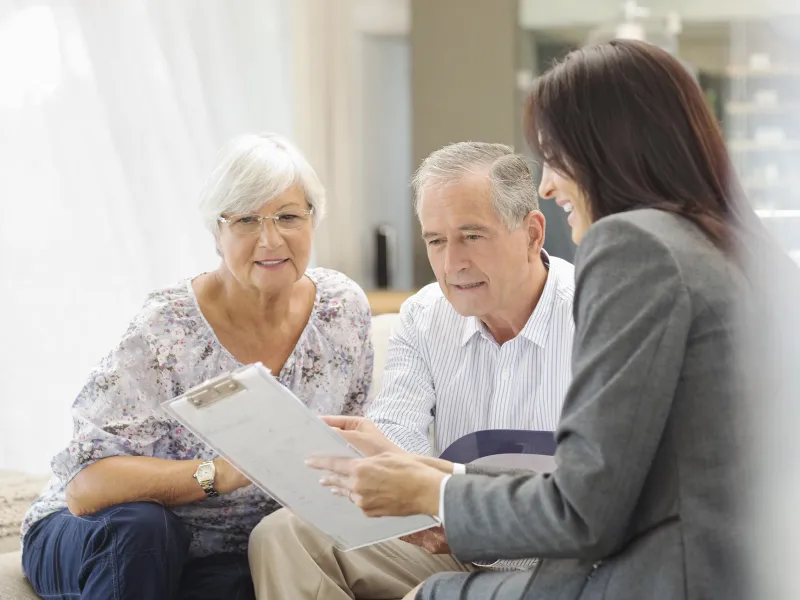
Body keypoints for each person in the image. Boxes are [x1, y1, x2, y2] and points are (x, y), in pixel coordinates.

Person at [306, 39, 771, 600]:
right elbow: (613, 483)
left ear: (608, 150)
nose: (548, 184)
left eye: (555, 156)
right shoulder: (730, 248)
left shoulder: (633, 248)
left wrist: (435, 495)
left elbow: (583, 511)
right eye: (436, 240)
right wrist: (439, 482)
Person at [19, 132, 374, 600]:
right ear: (217, 233)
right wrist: (219, 473)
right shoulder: (166, 328)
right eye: (246, 219)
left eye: (288, 217)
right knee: (145, 532)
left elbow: (350, 447)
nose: (270, 239)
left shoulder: (341, 311)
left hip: (225, 549)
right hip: (100, 530)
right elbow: (86, 487)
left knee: (252, 575)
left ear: (313, 221)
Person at [248, 142, 575, 599]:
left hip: (562, 555)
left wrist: (442, 490)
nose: (451, 264)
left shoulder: (596, 315)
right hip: (454, 541)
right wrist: (374, 457)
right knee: (285, 534)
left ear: (533, 233)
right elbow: (397, 438)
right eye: (436, 241)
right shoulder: (424, 316)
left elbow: (597, 494)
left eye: (472, 236)